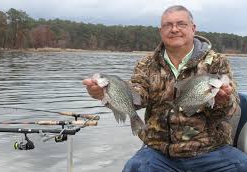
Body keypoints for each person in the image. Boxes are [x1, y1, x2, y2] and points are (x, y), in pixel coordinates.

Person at [83, 5, 247, 172]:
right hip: (159, 153)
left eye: (181, 24)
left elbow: (230, 110)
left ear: (193, 28)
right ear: (161, 31)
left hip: (212, 150)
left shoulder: (217, 62)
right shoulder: (146, 64)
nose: (174, 29)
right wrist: (103, 94)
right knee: (134, 168)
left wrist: (222, 100)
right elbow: (137, 95)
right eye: (168, 25)